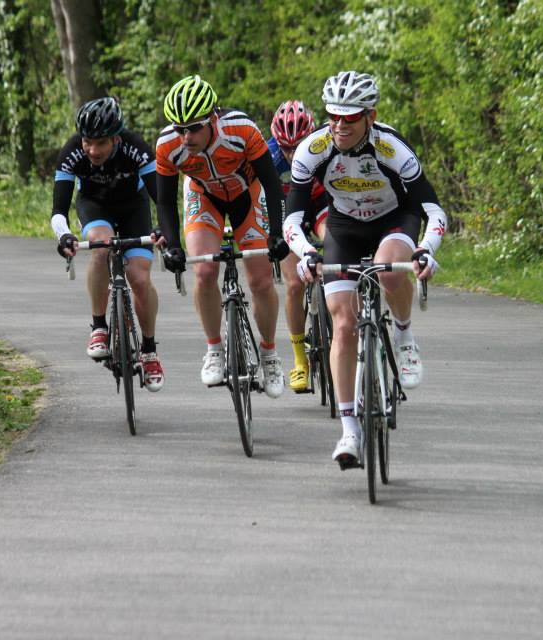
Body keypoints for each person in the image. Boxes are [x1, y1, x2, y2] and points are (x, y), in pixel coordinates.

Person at [284, 71, 448, 468]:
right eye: (333, 117)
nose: (340, 126)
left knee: (388, 270)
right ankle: (349, 432)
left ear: (370, 117)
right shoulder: (314, 149)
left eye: (350, 118)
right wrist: (306, 252)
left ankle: (405, 337)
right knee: (342, 323)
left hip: (395, 218)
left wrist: (426, 248)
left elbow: (432, 208)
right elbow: (293, 217)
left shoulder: (392, 148)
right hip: (344, 226)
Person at [155, 75, 290, 397]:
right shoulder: (167, 146)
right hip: (204, 197)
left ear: (213, 118)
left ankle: (269, 354)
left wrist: (276, 233)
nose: (185, 136)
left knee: (260, 280)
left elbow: (272, 184)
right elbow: (163, 200)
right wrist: (173, 246)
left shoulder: (241, 129)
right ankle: (214, 348)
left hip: (248, 194)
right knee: (203, 271)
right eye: (179, 128)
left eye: (194, 128)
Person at [52, 96, 165, 392]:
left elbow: (162, 201)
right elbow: (58, 212)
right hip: (95, 205)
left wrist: (165, 229)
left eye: (100, 143)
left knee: (139, 278)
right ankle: (99, 326)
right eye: (87, 141)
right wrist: (64, 235)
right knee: (100, 247)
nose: (92, 150)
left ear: (116, 138)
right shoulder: (72, 152)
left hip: (133, 206)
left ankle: (149, 350)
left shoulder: (136, 148)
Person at [268, 100, 329, 393]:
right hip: (285, 213)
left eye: (299, 146)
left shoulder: (325, 149)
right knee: (293, 284)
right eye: (285, 148)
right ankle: (299, 360)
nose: (292, 155)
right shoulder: (268, 157)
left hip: (318, 205)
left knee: (335, 245)